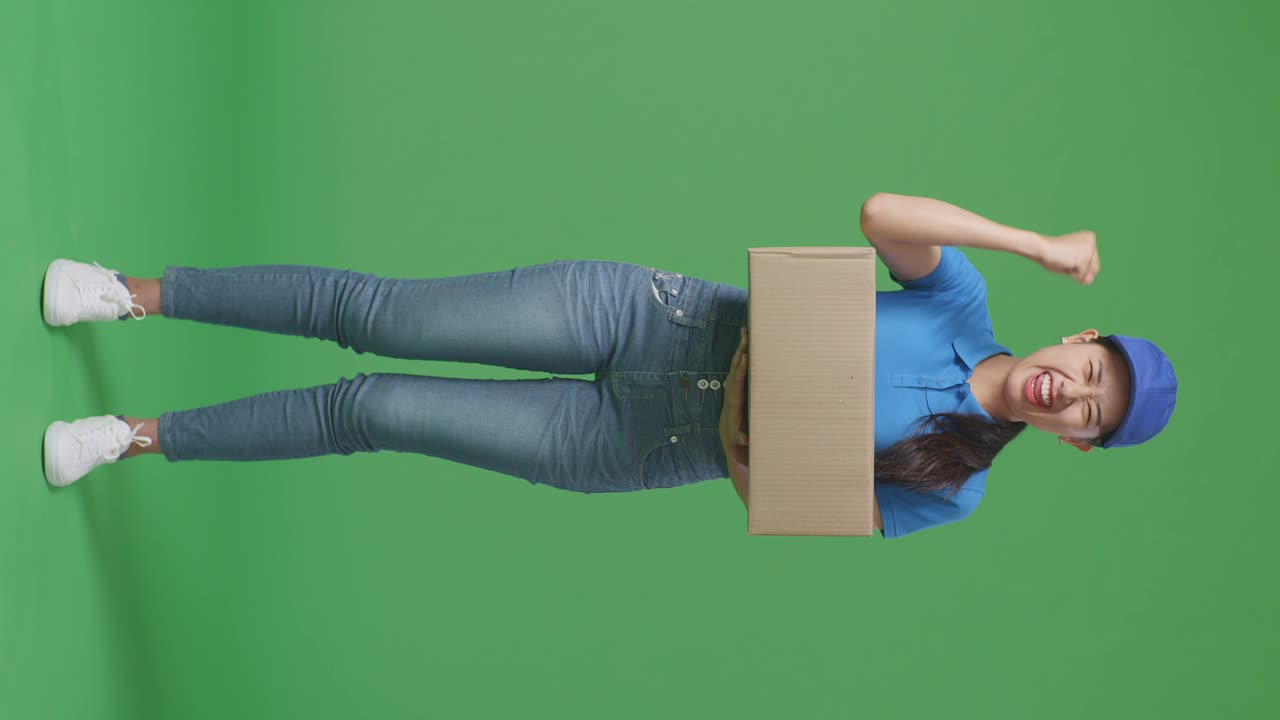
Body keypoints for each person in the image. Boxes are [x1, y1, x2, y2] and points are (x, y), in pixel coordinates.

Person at [40, 192, 1178, 539]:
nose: (1070, 394)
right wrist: (1037, 242)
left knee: (372, 409)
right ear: (1076, 343)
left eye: (1091, 415)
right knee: (370, 312)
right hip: (648, 322)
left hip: (640, 447)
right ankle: (131, 294)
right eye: (1090, 372)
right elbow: (883, 209)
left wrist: (746, 452)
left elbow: (794, 512)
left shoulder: (959, 485)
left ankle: (133, 438)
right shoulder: (961, 299)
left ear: (1077, 442)